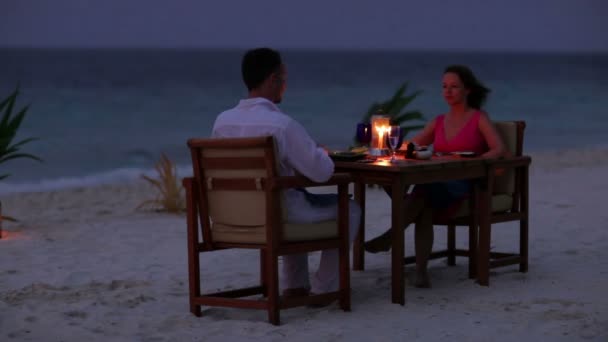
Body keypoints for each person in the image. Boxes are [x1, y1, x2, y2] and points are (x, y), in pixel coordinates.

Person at [211, 47, 361, 299]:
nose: (285, 85)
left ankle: (294, 285)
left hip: (231, 219)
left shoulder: (222, 122)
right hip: (276, 217)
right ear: (273, 79)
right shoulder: (281, 125)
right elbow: (322, 172)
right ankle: (325, 288)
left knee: (289, 194)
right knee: (351, 209)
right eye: (284, 79)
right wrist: (321, 153)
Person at [364, 65, 505, 288]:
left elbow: (498, 149)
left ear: (467, 90)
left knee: (424, 191)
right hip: (437, 184)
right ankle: (420, 274)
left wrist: (476, 162)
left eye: (454, 87)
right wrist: (385, 145)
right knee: (425, 204)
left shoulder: (478, 118)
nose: (448, 91)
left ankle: (390, 237)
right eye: (444, 87)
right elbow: (413, 145)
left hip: (465, 184)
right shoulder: (439, 121)